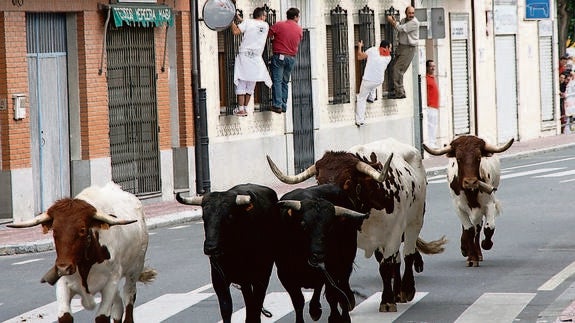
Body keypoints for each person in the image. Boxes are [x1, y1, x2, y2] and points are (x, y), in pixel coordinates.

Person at [231, 7, 272, 116]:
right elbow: (251, 26)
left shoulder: (248, 23)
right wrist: (240, 19)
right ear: (262, 16)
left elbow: (235, 31)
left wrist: (230, 20)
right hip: (257, 58)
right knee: (251, 84)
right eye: (265, 16)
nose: (265, 18)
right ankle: (245, 108)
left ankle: (240, 108)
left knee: (241, 81)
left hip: (245, 56)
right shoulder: (266, 25)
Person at [268, 7, 303, 113]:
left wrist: (274, 40)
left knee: (277, 81)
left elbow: (269, 34)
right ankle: (283, 105)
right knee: (285, 82)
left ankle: (277, 104)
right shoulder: (299, 29)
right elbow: (298, 40)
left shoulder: (279, 25)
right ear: (295, 17)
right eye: (298, 16)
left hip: (280, 56)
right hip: (291, 58)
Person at [355, 39, 392, 126]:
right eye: (390, 48)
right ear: (386, 47)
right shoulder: (388, 58)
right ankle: (372, 97)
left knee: (361, 98)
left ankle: (359, 120)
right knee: (373, 86)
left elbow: (359, 57)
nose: (391, 50)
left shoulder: (372, 50)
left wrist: (359, 47)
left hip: (368, 80)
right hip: (379, 81)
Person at [387, 6, 419, 99]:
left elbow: (400, 28)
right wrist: (395, 22)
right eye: (409, 13)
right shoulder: (404, 20)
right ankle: (395, 90)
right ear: (406, 13)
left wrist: (392, 22)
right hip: (401, 47)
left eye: (413, 13)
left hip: (409, 48)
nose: (411, 15)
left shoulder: (414, 23)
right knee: (394, 67)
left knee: (398, 69)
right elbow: (399, 26)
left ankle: (400, 92)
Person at [426, 59, 440, 147]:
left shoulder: (432, 78)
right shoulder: (426, 78)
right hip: (430, 106)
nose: (433, 68)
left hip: (435, 106)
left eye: (434, 66)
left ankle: (433, 141)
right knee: (431, 125)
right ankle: (431, 143)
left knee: (434, 125)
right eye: (431, 66)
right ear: (427, 67)